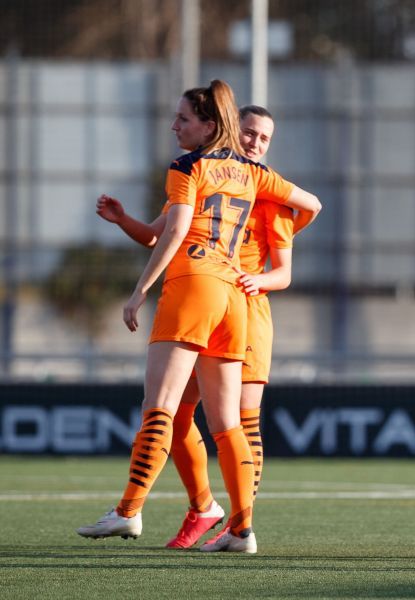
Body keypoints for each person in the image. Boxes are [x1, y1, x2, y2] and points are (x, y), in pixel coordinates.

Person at [76, 80, 321, 554]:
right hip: (229, 295)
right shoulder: (252, 176)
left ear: (210, 125)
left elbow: (178, 233)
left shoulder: (192, 167)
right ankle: (237, 526)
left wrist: (139, 290)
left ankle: (128, 512)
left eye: (183, 119)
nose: (174, 126)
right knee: (220, 420)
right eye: (249, 131)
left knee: (163, 406)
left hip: (200, 287)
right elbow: (158, 230)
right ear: (234, 128)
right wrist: (126, 221)